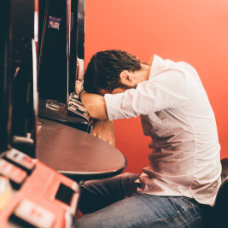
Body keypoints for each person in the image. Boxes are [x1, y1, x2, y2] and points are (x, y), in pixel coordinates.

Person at [75, 50, 221, 228]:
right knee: (74, 192)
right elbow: (99, 108)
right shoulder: (165, 76)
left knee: (85, 226)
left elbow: (95, 108)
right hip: (157, 183)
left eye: (111, 95)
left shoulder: (175, 81)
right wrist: (107, 116)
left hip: (186, 200)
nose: (117, 99)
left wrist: (96, 105)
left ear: (126, 77)